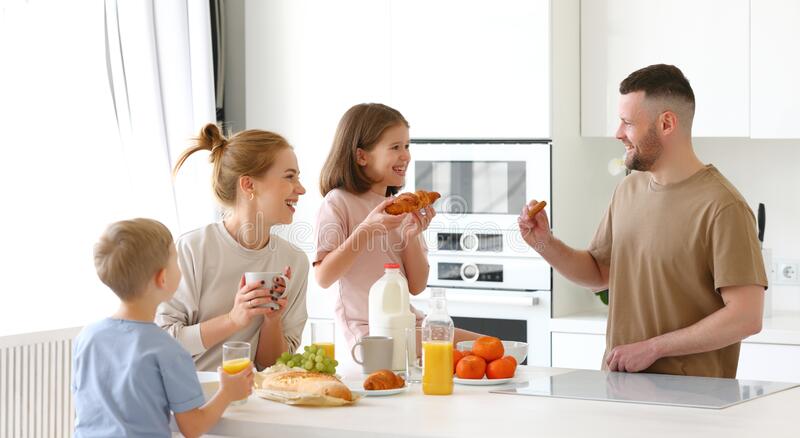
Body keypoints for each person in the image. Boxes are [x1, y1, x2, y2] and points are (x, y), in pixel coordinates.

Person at [518, 64, 767, 378]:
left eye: (627, 122)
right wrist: (545, 243)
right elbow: (599, 273)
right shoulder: (628, 189)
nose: (618, 133)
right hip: (619, 390)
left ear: (666, 123)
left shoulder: (722, 206)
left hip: (692, 407)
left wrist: (654, 348)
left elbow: (746, 317)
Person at [314, 103, 480, 348]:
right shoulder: (338, 202)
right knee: (483, 353)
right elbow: (324, 276)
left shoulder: (401, 207)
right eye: (395, 147)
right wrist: (369, 229)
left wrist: (411, 236)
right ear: (361, 156)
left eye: (407, 146)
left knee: (492, 347)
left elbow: (417, 286)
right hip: (371, 334)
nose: (406, 155)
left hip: (409, 325)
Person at [73, 218, 253, 437]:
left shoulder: (87, 337)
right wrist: (227, 393)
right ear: (163, 277)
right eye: (175, 261)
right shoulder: (169, 350)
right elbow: (193, 427)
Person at [157, 124, 309, 371]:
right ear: (249, 185)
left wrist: (272, 321)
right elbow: (162, 343)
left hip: (257, 400)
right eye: (289, 176)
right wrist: (233, 319)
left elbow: (274, 367)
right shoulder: (194, 249)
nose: (301, 189)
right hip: (193, 399)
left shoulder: (294, 260)